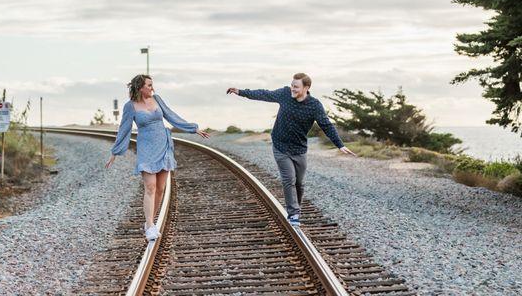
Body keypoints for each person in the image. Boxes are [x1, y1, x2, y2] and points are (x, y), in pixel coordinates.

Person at [227, 73, 356, 226]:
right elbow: (264, 94)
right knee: (289, 179)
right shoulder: (284, 94)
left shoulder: (314, 105)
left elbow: (326, 125)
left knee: (299, 183)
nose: (292, 89)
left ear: (306, 88)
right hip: (280, 145)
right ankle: (293, 214)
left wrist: (340, 144)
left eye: (296, 87)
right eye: (292, 85)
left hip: (299, 149)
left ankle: (296, 208)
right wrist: (241, 92)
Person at [105, 74, 209, 241]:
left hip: (163, 145)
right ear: (140, 87)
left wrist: (193, 129)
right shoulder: (130, 106)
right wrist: (115, 153)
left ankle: (149, 222)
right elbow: (124, 129)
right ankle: (150, 226)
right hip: (146, 148)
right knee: (150, 187)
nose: (152, 88)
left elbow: (171, 116)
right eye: (149, 85)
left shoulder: (157, 99)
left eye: (152, 85)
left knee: (160, 188)